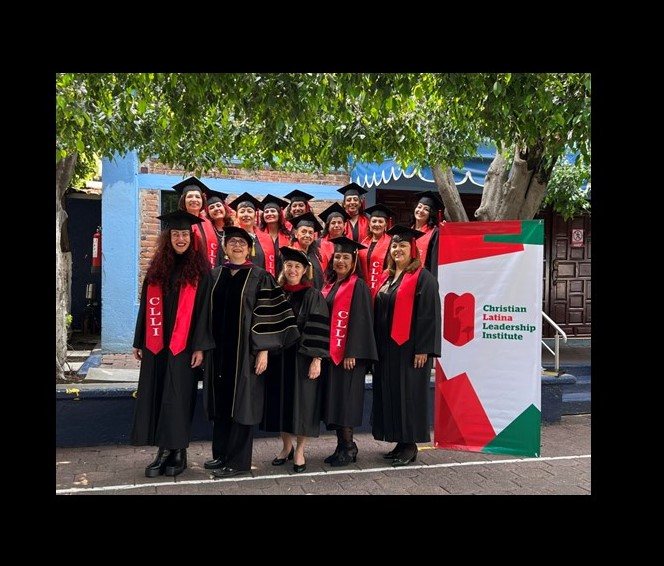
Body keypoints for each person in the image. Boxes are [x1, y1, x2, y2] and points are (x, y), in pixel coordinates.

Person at [203, 226, 300, 478]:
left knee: (242, 405)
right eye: (232, 242)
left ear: (249, 249)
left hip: (246, 353)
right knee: (221, 403)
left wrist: (264, 349)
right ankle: (221, 454)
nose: (237, 246)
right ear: (224, 247)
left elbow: (269, 315)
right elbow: (204, 314)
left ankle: (238, 462)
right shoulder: (214, 275)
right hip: (218, 354)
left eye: (242, 243)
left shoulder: (260, 276)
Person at [131, 210, 215, 478]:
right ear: (168, 238)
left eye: (185, 234)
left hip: (185, 346)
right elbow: (146, 306)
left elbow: (205, 312)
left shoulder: (202, 272)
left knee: (178, 397)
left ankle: (178, 451)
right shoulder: (157, 268)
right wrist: (139, 340)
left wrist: (200, 346)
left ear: (192, 238)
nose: (180, 239)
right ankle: (162, 451)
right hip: (157, 342)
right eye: (176, 234)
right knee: (157, 394)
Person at [371, 225, 441, 467]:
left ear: (413, 249)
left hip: (411, 350)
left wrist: (424, 348)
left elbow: (429, 315)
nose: (397, 249)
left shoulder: (423, 278)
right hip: (387, 348)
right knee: (392, 394)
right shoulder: (387, 277)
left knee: (409, 395)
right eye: (394, 245)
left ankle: (410, 445)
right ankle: (400, 442)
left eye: (402, 245)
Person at [261, 246, 330, 473]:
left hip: (302, 359)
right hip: (279, 359)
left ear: (304, 271)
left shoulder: (312, 295)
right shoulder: (277, 293)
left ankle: (300, 451)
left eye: (297, 266)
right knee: (281, 404)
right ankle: (286, 447)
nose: (292, 269)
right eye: (289, 265)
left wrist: (317, 359)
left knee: (303, 406)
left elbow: (319, 327)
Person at [320, 236, 378, 466]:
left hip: (349, 356)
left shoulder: (358, 286)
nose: (341, 261)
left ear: (354, 261)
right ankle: (341, 446)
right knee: (336, 401)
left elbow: (362, 320)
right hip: (333, 353)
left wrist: (352, 351)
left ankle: (350, 447)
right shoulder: (330, 284)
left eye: (346, 257)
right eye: (337, 257)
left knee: (346, 401)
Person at [172, 176, 218, 268]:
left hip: (208, 270)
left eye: (197, 197)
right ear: (183, 200)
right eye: (190, 196)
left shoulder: (208, 222)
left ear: (202, 200)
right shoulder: (178, 221)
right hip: (185, 269)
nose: (194, 200)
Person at [227, 192, 275, 275]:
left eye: (249, 211)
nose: (246, 214)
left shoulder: (266, 238)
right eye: (242, 212)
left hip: (261, 280)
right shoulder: (229, 238)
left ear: (255, 216)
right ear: (237, 216)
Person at [359, 203, 396, 298]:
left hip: (383, 290)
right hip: (363, 288)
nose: (377, 224)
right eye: (374, 221)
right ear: (369, 223)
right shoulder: (363, 243)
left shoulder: (392, 243)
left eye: (380, 221)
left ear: (386, 224)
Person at [409, 190, 445, 279]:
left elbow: (434, 261)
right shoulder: (409, 230)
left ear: (430, 214)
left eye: (426, 209)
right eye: (419, 207)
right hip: (407, 276)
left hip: (424, 278)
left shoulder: (435, 232)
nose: (421, 211)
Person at [289, 212, 326, 289]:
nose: (307, 235)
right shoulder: (289, 253)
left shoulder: (318, 254)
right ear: (296, 234)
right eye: (303, 232)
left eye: (310, 233)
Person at [258, 194, 291, 276]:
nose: (269, 213)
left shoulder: (289, 236)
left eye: (273, 211)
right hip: (262, 278)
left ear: (279, 214)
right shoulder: (257, 236)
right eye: (266, 212)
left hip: (283, 278)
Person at [205, 189, 234, 265]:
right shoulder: (206, 231)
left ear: (224, 208)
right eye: (211, 207)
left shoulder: (234, 230)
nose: (216, 209)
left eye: (218, 205)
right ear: (208, 213)